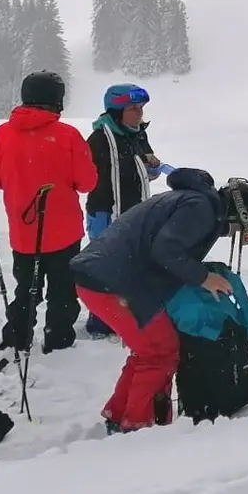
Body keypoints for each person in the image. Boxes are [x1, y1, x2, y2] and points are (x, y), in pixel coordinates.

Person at [69, 169, 248, 433]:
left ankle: (120, 414)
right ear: (234, 213)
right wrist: (203, 277)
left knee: (151, 349)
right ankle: (137, 426)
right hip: (112, 282)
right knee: (160, 352)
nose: (231, 235)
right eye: (237, 229)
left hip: (104, 277)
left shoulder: (195, 201)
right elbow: (166, 250)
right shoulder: (201, 209)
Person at [0, 71, 98, 354]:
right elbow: (87, 183)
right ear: (56, 99)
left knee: (26, 288)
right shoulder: (68, 135)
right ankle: (58, 341)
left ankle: (17, 338)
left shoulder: (1, 134)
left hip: (23, 232)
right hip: (64, 231)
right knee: (62, 291)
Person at [84, 83, 164, 338]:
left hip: (134, 209)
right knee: (104, 266)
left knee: (133, 264)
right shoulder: (99, 139)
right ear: (117, 111)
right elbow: (89, 176)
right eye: (133, 108)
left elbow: (140, 167)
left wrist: (151, 168)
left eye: (141, 108)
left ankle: (125, 317)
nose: (139, 113)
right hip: (104, 211)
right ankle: (100, 323)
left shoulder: (137, 134)